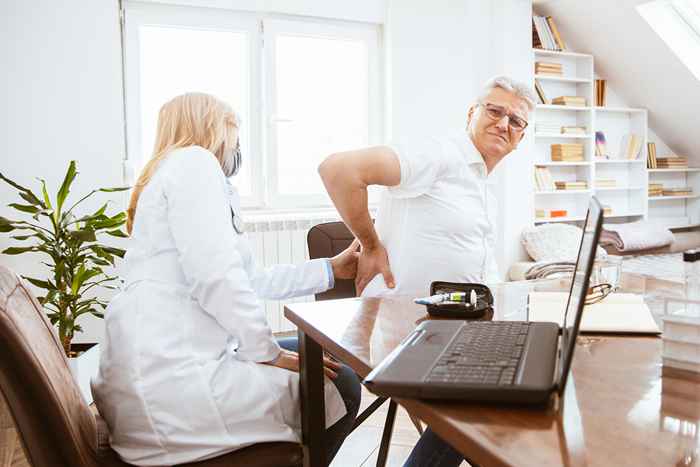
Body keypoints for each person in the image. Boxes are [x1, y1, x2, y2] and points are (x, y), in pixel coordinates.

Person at [92, 93, 361, 466]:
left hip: (161, 379)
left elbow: (248, 280)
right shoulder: (194, 163)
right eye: (234, 138)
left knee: (317, 359)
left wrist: (330, 269)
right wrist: (267, 353)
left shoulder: (173, 176)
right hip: (176, 394)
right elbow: (217, 279)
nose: (236, 151)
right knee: (340, 383)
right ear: (213, 130)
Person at [318, 76, 536, 466]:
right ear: (472, 113)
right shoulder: (439, 154)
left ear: (521, 137)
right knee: (486, 403)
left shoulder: (482, 181)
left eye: (516, 121)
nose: (504, 124)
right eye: (495, 111)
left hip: (458, 329)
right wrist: (370, 244)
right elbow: (338, 169)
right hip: (415, 336)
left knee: (530, 376)